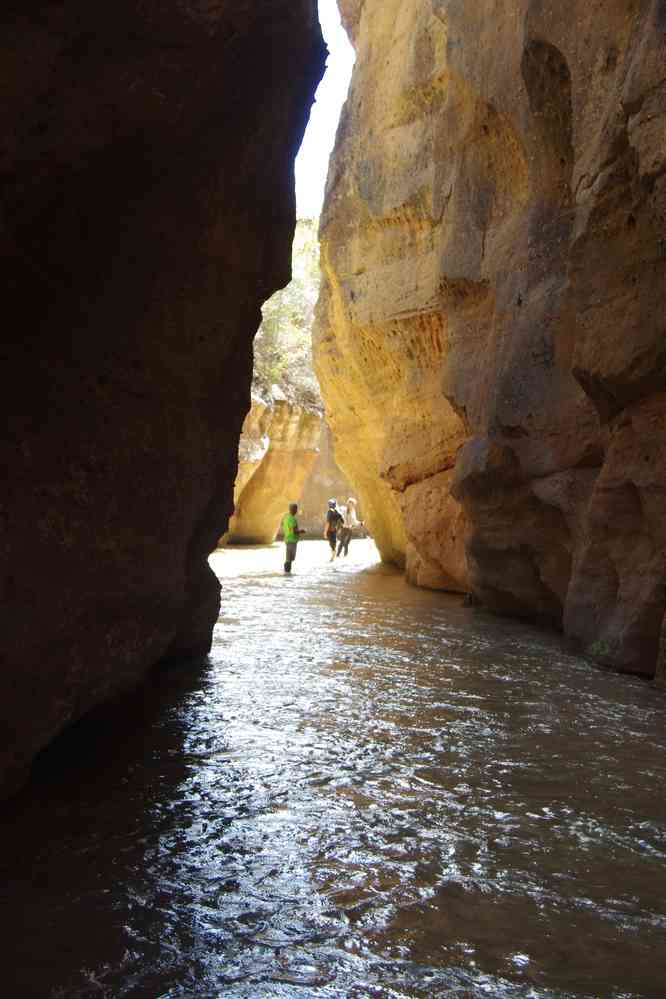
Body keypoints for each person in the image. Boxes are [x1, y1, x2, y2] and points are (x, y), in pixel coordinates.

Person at [281, 502, 305, 574]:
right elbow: (295, 531)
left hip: (287, 539)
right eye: (296, 509)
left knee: (289, 558)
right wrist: (301, 531)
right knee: (289, 559)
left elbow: (283, 526)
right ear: (293, 509)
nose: (296, 511)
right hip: (292, 540)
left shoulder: (286, 518)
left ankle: (287, 572)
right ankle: (287, 572)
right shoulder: (292, 519)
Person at [324, 498, 343, 562]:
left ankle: (332, 557)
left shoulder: (330, 512)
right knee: (333, 544)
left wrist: (325, 532)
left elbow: (328, 523)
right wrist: (339, 529)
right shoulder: (337, 512)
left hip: (330, 530)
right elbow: (342, 521)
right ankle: (333, 557)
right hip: (334, 530)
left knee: (332, 544)